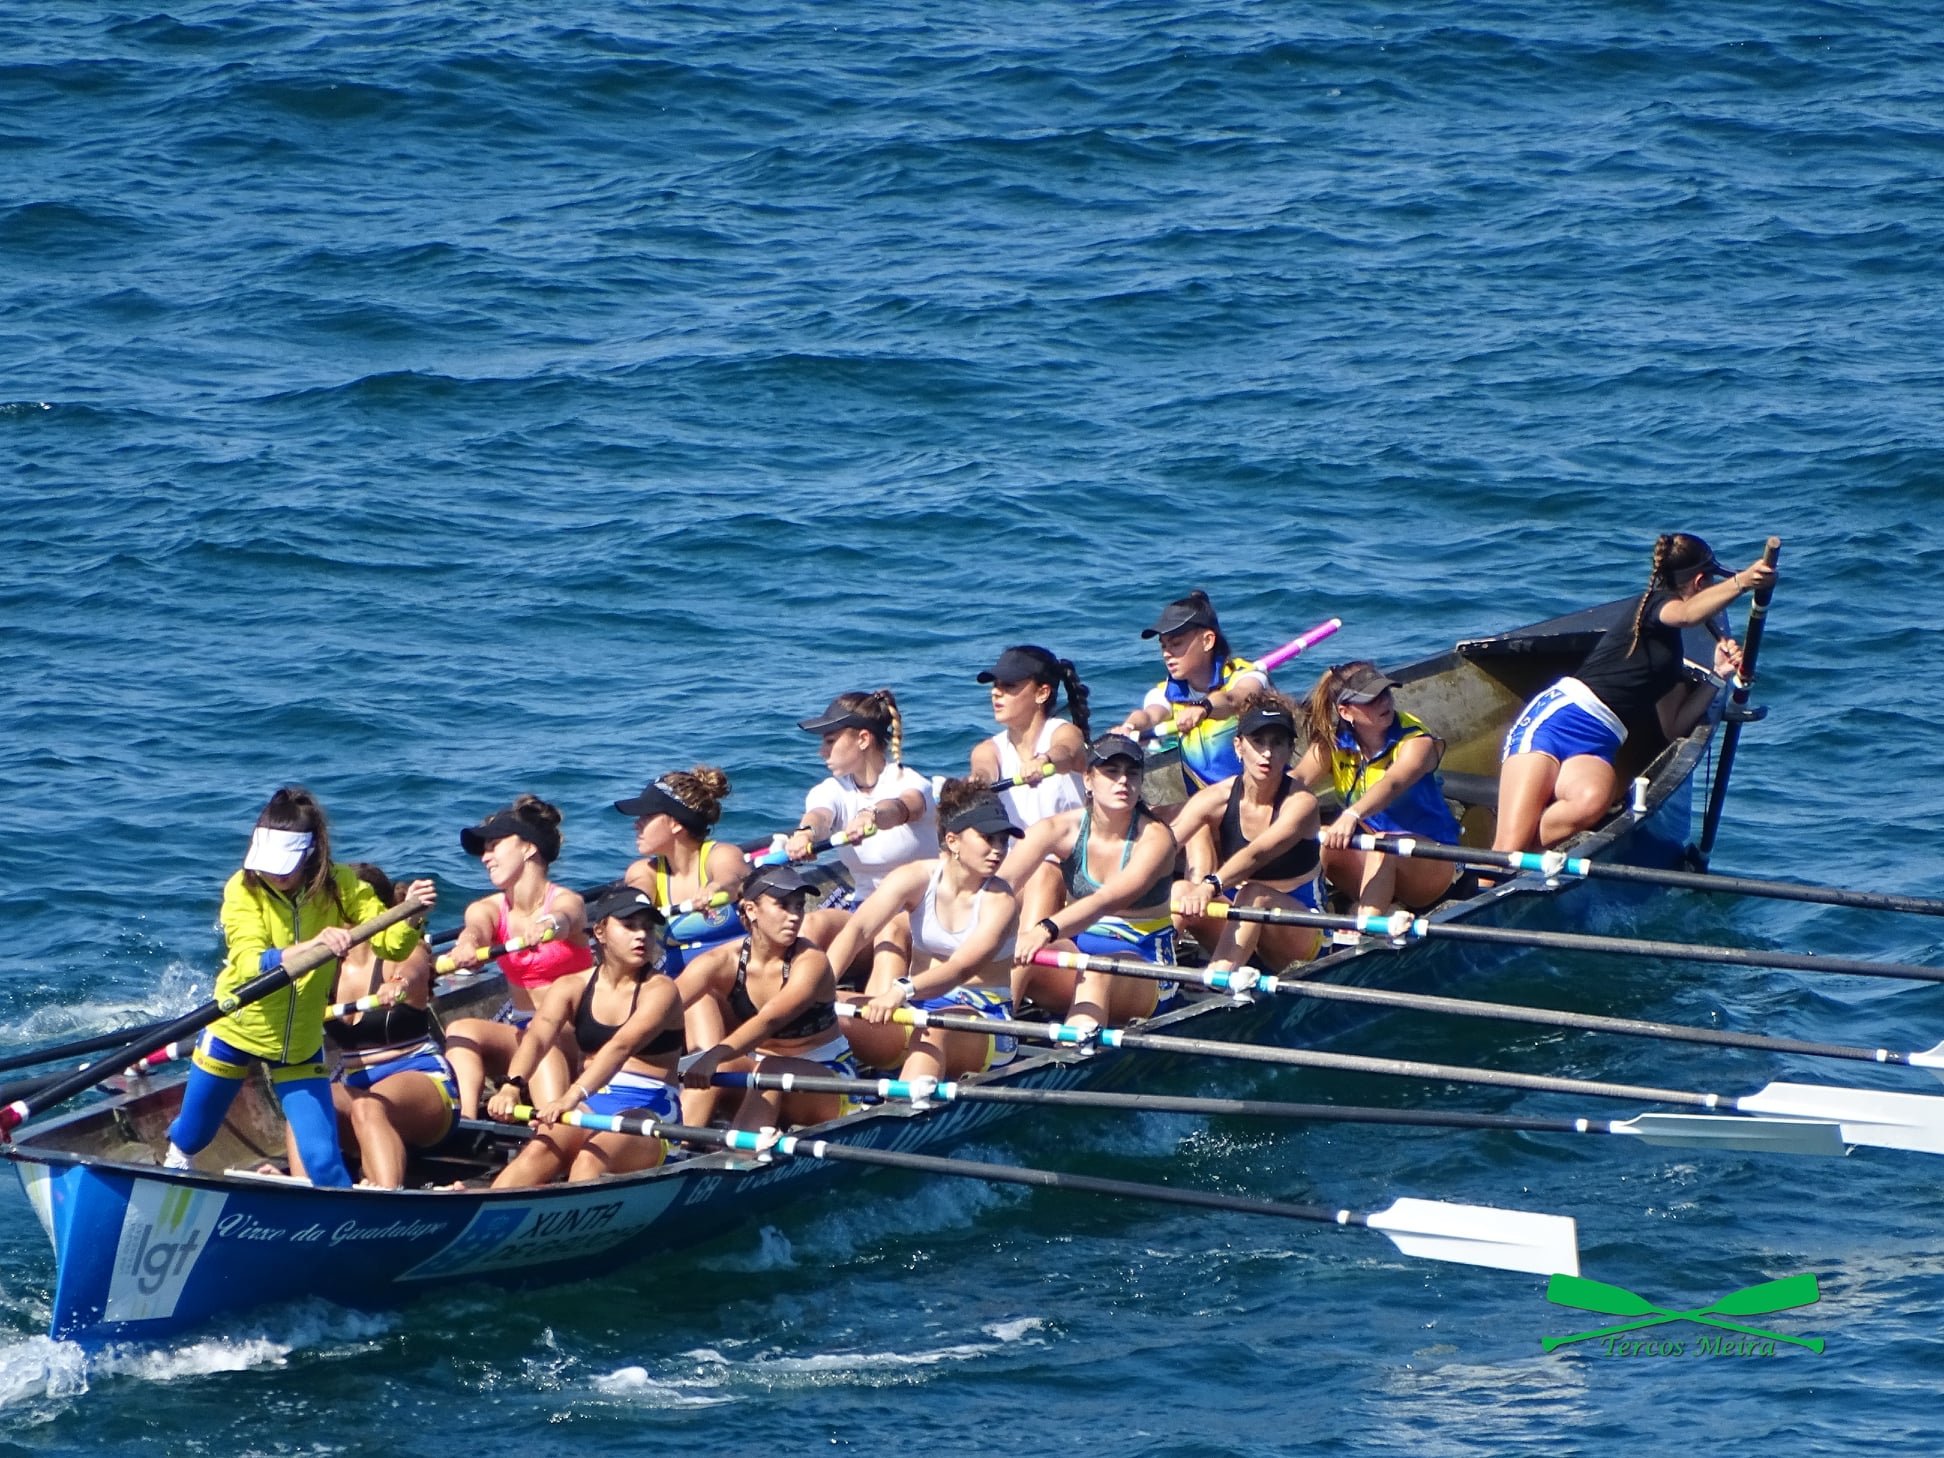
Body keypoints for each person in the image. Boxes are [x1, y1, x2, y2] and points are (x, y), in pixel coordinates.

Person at [163, 787, 436, 1186]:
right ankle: (173, 1170)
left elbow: (389, 943)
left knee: (324, 1161)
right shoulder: (243, 888)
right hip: (235, 1030)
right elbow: (247, 960)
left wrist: (410, 914)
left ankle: (347, 1230)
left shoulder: (342, 885)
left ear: (311, 853)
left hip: (298, 1045)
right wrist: (310, 946)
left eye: (284, 865)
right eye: (267, 864)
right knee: (192, 1135)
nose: (273, 874)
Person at [1495, 534, 1777, 852]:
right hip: (1558, 720)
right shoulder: (1655, 605)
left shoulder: (1668, 661)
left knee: (1592, 801)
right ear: (1701, 582)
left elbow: (1673, 726)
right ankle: (1504, 861)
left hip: (1599, 741)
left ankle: (1516, 857)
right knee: (1508, 844)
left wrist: (1717, 678)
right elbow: (1686, 614)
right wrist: (1742, 582)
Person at [487, 884, 685, 1187]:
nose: (642, 936)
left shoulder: (661, 990)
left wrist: (570, 1097)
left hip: (651, 1111)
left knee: (589, 1160)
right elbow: (537, 1038)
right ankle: (487, 1213)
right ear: (601, 932)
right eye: (629, 926)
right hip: (592, 1104)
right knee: (539, 1150)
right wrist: (512, 1086)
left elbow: (621, 1047)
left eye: (647, 927)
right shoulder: (571, 987)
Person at [831, 780, 1022, 1080]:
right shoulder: (915, 877)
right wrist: (817, 990)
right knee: (818, 1012)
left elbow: (961, 968)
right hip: (915, 1007)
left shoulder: (1001, 900)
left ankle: (901, 1115)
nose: (998, 850)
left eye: (1003, 841)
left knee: (933, 1031)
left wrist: (902, 988)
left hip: (985, 1019)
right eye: (988, 838)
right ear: (953, 841)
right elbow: (858, 930)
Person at [1001, 733, 1181, 1028]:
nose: (1123, 781)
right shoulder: (1058, 828)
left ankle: (1072, 1055)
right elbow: (1000, 884)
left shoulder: (1155, 839)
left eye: (1132, 773)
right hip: (1078, 956)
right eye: (1111, 772)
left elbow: (1106, 900)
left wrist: (1044, 930)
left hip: (1148, 971)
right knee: (1023, 957)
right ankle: (998, 1033)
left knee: (1097, 969)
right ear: (1088, 780)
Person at [678, 864, 860, 1132]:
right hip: (760, 1072)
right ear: (751, 909)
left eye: (799, 906)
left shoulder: (811, 961)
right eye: (783, 905)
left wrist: (712, 1055)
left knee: (767, 1068)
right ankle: (674, 1150)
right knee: (722, 1066)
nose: (794, 916)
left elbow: (770, 1019)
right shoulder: (720, 961)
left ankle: (742, 1158)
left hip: (829, 1079)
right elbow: (662, 1008)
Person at [441, 796, 592, 1120]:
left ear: (528, 848)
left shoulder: (566, 900)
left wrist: (551, 924)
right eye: (484, 849)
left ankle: (551, 1131)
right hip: (523, 1029)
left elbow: (567, 917)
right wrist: (466, 945)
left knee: (541, 1038)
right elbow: (476, 930)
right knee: (460, 1029)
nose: (485, 858)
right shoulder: (488, 908)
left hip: (575, 1032)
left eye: (494, 845)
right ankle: (466, 1123)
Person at [787, 689, 939, 987]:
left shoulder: (911, 784)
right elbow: (819, 815)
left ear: (863, 739)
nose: (822, 752)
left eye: (830, 741)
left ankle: (873, 1024)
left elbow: (902, 807)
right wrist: (805, 833)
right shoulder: (832, 789)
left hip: (920, 915)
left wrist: (872, 816)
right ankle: (794, 1003)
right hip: (864, 909)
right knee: (813, 923)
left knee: (888, 931)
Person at [1294, 662, 1464, 914]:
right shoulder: (1333, 743)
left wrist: (1352, 814)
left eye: (1385, 693)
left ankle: (1365, 924)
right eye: (1371, 699)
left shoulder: (1415, 742)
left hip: (1434, 861)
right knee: (1326, 839)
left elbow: (1393, 783)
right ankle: (1331, 910)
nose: (1384, 702)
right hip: (1374, 858)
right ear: (1345, 712)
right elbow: (1295, 779)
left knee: (1383, 844)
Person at [324, 863, 455, 1189]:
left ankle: (384, 1200)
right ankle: (307, 1191)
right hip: (359, 1091)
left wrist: (399, 983)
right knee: (307, 1104)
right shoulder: (324, 967)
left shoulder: (405, 950)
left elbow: (413, 970)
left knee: (369, 1106)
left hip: (425, 1085)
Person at [1170, 698, 1325, 970]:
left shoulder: (1301, 802)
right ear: (1239, 747)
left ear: (1290, 750)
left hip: (1301, 933)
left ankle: (1218, 983)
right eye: (1258, 742)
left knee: (1254, 894)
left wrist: (1210, 886)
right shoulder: (1216, 797)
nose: (1267, 753)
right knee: (1181, 890)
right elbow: (1167, 843)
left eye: (1277, 743)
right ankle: (1155, 972)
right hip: (1241, 928)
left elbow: (1258, 854)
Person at [1113, 590, 1269, 795]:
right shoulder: (1167, 692)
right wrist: (1129, 726)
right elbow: (1150, 714)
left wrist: (1204, 708)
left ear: (1207, 641)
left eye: (1176, 644)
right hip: (1205, 800)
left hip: (1256, 793)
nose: (1167, 654)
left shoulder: (1246, 676)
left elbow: (1235, 699)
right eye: (1164, 647)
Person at [617, 766, 747, 972]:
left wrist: (713, 889)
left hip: (736, 972)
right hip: (681, 981)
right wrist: (634, 905)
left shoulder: (721, 854)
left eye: (647, 816)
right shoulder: (644, 871)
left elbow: (732, 879)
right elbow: (637, 895)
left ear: (676, 824)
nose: (636, 824)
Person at [967, 646, 1089, 828]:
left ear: (1042, 693)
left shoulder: (1063, 732)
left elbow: (1066, 751)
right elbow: (983, 770)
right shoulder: (989, 749)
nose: (995, 692)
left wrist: (1044, 760)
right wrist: (977, 783)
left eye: (1008, 685)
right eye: (995, 685)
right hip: (1014, 854)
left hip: (1069, 852)